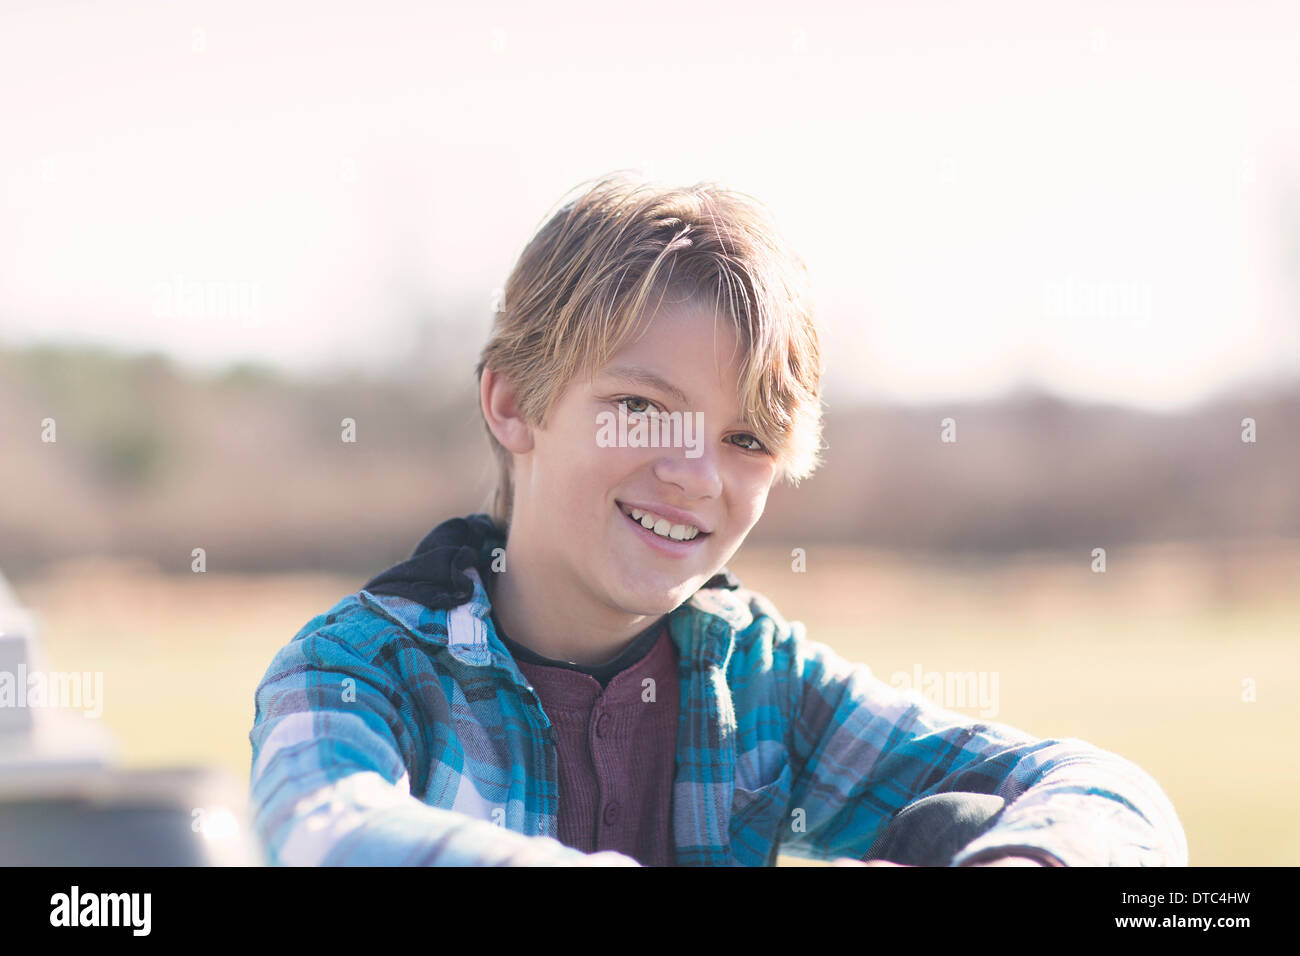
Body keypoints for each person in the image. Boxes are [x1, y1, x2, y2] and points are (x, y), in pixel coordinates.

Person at [247, 172, 1188, 867]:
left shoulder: (760, 684)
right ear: (513, 404)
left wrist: (1028, 862)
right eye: (646, 407)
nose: (695, 472)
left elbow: (1106, 794)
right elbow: (329, 831)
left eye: (746, 438)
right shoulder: (356, 672)